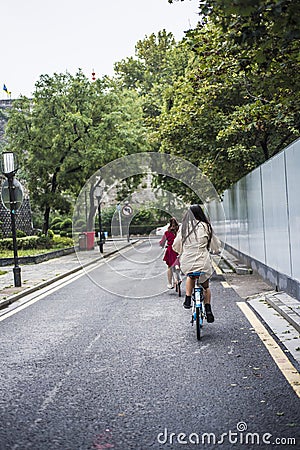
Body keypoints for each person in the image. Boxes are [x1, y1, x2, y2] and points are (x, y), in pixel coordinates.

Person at [172, 204, 221, 322]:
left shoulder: (184, 227)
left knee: (191, 275)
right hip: (203, 261)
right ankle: (208, 309)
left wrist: (181, 251)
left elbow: (177, 244)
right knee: (206, 287)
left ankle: (188, 298)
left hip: (188, 260)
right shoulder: (206, 226)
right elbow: (215, 244)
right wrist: (215, 250)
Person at [159, 217, 180, 289]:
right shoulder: (179, 231)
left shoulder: (167, 232)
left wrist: (161, 244)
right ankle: (178, 276)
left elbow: (162, 242)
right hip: (178, 249)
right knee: (179, 263)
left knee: (169, 267)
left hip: (170, 250)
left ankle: (170, 283)